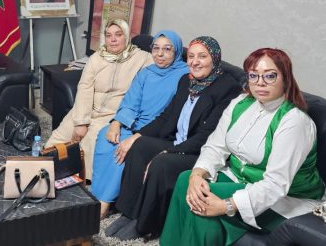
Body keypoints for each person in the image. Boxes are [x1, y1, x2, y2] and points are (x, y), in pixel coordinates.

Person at [160, 48, 326, 246]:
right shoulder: (240, 103)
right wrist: (197, 174)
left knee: (204, 201)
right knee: (185, 180)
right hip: (241, 180)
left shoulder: (294, 121)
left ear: (286, 78)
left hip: (286, 200)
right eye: (253, 75)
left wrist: (226, 205)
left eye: (270, 76)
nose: (260, 82)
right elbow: (215, 146)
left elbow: (275, 185)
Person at [105, 36, 242, 240]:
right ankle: (129, 212)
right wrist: (137, 136)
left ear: (214, 59)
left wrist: (167, 151)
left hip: (199, 152)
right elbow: (167, 117)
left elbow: (207, 136)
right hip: (177, 141)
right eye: (191, 56)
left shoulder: (227, 88)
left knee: (161, 163)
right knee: (139, 146)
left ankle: (145, 225)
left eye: (202, 56)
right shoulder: (186, 81)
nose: (195, 62)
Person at [92, 30, 189, 218]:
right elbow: (130, 102)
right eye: (156, 48)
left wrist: (137, 136)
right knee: (105, 136)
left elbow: (172, 117)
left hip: (157, 131)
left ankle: (104, 203)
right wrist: (116, 123)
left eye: (167, 49)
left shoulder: (184, 76)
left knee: (123, 149)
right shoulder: (146, 73)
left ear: (176, 51)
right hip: (134, 124)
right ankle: (97, 195)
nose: (160, 54)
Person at [44, 19, 153, 181]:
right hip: (87, 109)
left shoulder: (142, 58)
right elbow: (84, 88)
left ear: (126, 36)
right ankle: (44, 173)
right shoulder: (97, 57)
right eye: (108, 35)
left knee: (88, 145)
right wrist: (81, 121)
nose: (113, 39)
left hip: (109, 116)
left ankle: (82, 186)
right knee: (57, 139)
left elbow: (164, 63)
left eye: (118, 35)